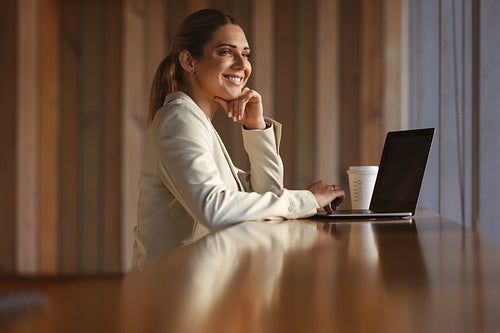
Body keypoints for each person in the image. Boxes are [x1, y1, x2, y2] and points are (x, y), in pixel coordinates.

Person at [133, 8, 344, 267]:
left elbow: (266, 193)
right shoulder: (180, 120)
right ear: (189, 62)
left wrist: (256, 128)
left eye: (245, 54)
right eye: (225, 52)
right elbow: (215, 209)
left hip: (197, 288)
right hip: (174, 296)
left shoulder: (195, 121)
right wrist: (308, 200)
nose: (243, 65)